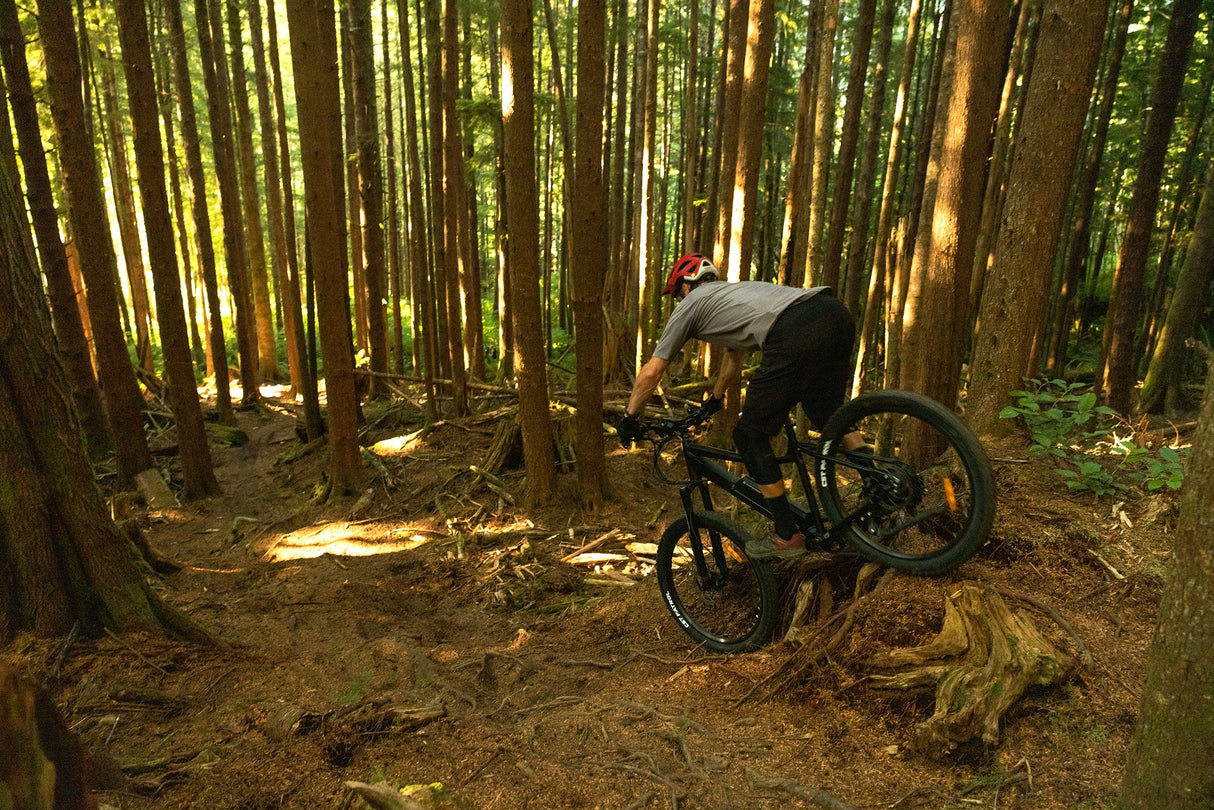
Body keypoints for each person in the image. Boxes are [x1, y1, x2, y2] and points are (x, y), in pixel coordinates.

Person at [617, 253, 860, 560]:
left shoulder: (691, 305)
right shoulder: (734, 294)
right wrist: (715, 400)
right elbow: (734, 356)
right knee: (829, 417)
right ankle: (879, 485)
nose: (678, 301)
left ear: (687, 284)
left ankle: (786, 536)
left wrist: (629, 417)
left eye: (678, 293)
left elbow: (652, 371)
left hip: (794, 330)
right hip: (834, 314)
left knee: (748, 436)